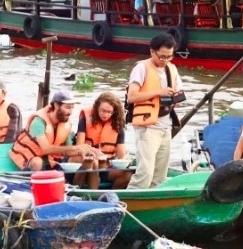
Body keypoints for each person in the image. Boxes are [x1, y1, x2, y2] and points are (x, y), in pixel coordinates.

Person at [125, 33, 184, 188]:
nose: (165, 61)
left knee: (160, 176)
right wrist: (158, 92)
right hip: (147, 126)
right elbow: (131, 96)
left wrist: (175, 100)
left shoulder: (172, 68)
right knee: (145, 173)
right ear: (152, 51)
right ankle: (126, 204)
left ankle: (151, 206)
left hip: (166, 125)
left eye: (169, 57)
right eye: (162, 57)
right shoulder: (141, 68)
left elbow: (177, 91)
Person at [10, 90, 99, 171]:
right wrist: (75, 147)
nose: (70, 112)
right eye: (67, 107)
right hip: (30, 157)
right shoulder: (38, 122)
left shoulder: (66, 123)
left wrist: (88, 150)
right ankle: (35, 185)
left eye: (72, 108)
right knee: (37, 162)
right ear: (56, 105)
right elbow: (46, 149)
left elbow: (69, 151)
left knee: (86, 159)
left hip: (52, 160)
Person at [70, 92, 129, 189]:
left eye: (109, 112)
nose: (105, 115)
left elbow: (121, 155)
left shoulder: (118, 124)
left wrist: (125, 159)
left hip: (106, 165)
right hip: (86, 160)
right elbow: (79, 146)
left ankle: (110, 196)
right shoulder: (86, 118)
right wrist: (93, 151)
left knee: (128, 175)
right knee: (93, 162)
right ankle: (88, 192)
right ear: (97, 108)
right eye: (103, 111)